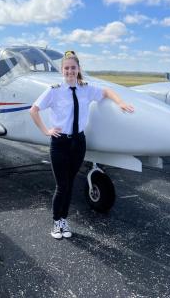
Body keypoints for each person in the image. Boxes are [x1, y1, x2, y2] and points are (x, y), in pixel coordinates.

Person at [30, 50, 134, 239]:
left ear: (78, 69)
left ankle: (64, 220)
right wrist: (46, 131)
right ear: (62, 70)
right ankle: (57, 222)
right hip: (60, 143)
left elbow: (107, 91)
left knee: (69, 184)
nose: (70, 71)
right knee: (62, 186)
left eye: (73, 67)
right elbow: (34, 110)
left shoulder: (86, 88)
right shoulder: (54, 90)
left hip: (78, 142)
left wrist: (120, 102)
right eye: (66, 68)